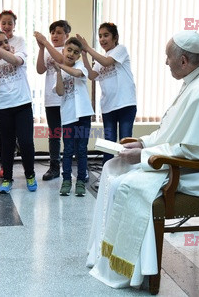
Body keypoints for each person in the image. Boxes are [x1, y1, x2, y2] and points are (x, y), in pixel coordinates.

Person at [87, 31, 199, 288]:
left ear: (183, 60)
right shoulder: (197, 79)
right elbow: (173, 130)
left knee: (125, 184)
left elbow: (196, 151)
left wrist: (144, 156)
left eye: (168, 57)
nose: (165, 62)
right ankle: (105, 255)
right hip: (188, 164)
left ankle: (134, 270)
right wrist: (144, 144)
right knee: (112, 167)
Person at [0, 31, 37, 194]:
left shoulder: (19, 53)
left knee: (26, 142)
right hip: (3, 106)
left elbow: (15, 61)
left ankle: (30, 175)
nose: (5, 45)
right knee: (7, 144)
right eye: (0, 43)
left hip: (23, 105)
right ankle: (7, 178)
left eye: (6, 41)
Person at [77, 22, 137, 164]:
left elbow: (106, 62)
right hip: (108, 107)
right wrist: (85, 55)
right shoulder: (100, 58)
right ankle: (107, 177)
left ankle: (125, 176)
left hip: (125, 104)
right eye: (100, 36)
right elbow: (92, 75)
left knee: (125, 142)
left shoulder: (120, 49)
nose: (102, 39)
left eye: (106, 35)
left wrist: (87, 47)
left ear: (115, 37)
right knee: (109, 144)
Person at [53, 37, 94, 196]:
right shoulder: (61, 70)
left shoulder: (80, 66)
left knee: (82, 150)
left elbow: (77, 73)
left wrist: (61, 66)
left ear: (78, 56)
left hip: (83, 115)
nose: (71, 54)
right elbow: (60, 92)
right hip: (68, 118)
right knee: (68, 150)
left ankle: (81, 181)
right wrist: (58, 72)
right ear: (63, 50)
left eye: (75, 52)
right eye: (69, 50)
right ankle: (66, 180)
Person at [34, 20, 72, 181]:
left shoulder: (68, 50)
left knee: (69, 133)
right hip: (51, 99)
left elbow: (62, 60)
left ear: (66, 35)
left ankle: (70, 165)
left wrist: (46, 43)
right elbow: (40, 69)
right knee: (54, 134)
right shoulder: (47, 48)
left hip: (66, 98)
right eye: (52, 33)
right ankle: (54, 166)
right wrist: (42, 48)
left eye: (58, 32)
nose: (55, 35)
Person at [0, 9, 26, 178]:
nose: (7, 26)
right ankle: (5, 166)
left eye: (10, 23)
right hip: (1, 95)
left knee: (22, 137)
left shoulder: (19, 41)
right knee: (3, 135)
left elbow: (16, 60)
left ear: (15, 25)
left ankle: (25, 166)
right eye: (3, 23)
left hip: (18, 93)